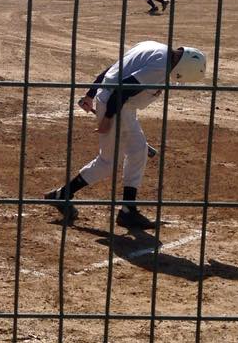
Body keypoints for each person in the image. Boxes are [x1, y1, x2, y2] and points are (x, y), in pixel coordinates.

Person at [44, 41, 206, 229]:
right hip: (116, 104)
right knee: (108, 162)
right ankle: (62, 195)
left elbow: (113, 70)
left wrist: (91, 93)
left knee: (138, 151)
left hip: (121, 105)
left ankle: (128, 210)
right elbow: (123, 88)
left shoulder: (153, 47)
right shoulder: (161, 66)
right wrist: (108, 118)